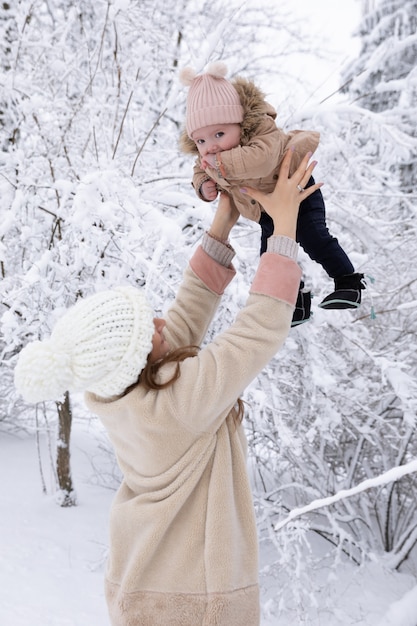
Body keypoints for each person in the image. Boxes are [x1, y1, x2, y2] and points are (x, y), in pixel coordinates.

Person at [14, 149, 321, 626]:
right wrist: (284, 228)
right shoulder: (177, 406)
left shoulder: (125, 394)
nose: (160, 323)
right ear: (139, 359)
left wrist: (223, 221)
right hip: (195, 606)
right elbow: (256, 332)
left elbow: (182, 318)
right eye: (147, 331)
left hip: (147, 587)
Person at [179, 62, 365, 326]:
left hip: (299, 197)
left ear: (240, 122)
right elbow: (200, 169)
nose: (211, 146)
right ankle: (297, 301)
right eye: (201, 141)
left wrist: (218, 168)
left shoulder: (262, 130)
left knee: (313, 238)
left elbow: (262, 159)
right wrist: (203, 185)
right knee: (272, 256)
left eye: (219, 134)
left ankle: (349, 282)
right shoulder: (209, 157)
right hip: (266, 211)